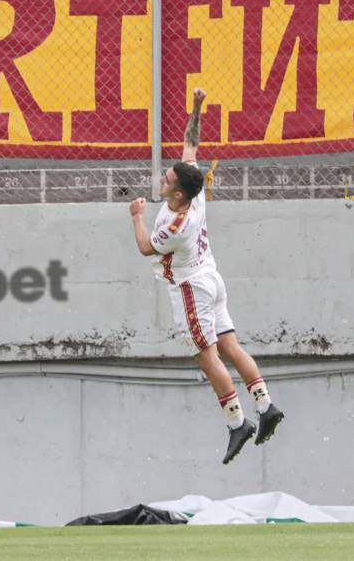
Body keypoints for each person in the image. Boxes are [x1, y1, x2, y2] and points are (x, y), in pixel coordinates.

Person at [129, 88, 284, 464]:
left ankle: (237, 423)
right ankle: (265, 406)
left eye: (166, 181)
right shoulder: (194, 192)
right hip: (212, 277)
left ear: (179, 194)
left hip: (191, 289)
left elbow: (147, 247)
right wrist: (196, 106)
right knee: (231, 346)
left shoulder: (175, 225)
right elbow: (191, 144)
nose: (161, 181)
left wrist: (135, 216)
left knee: (207, 356)